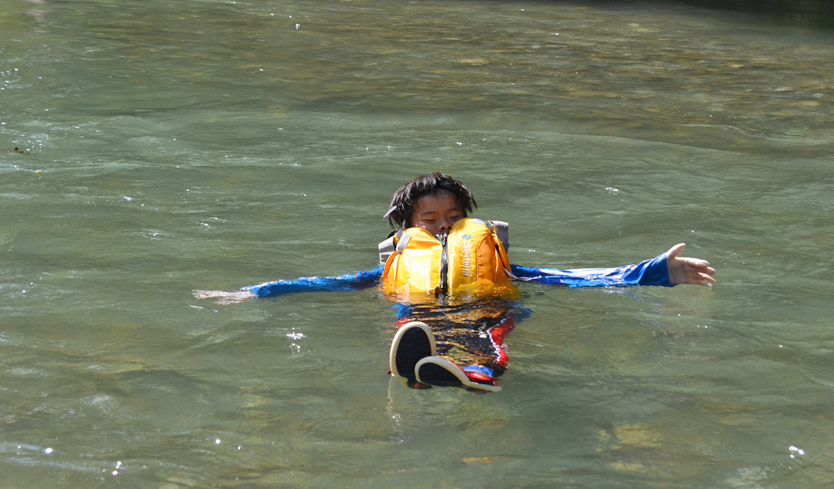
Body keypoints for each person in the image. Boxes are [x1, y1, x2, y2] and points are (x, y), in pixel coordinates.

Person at [196, 172, 715, 393]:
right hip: (417, 317)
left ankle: (471, 376)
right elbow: (322, 284)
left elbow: (573, 278)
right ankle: (427, 370)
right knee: (411, 330)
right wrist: (254, 291)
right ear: (408, 227)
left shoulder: (500, 264)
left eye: (452, 215)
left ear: (468, 219)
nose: (442, 225)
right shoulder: (389, 269)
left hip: (486, 310)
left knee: (484, 341)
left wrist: (655, 273)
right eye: (429, 218)